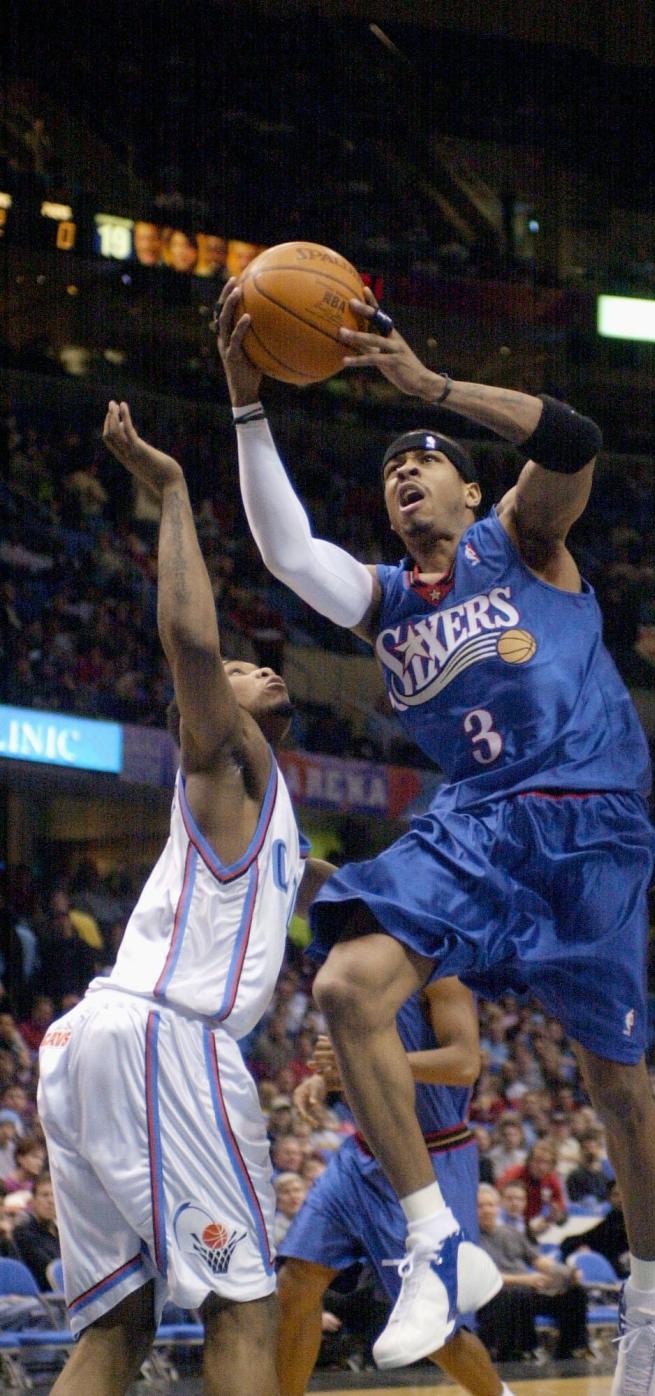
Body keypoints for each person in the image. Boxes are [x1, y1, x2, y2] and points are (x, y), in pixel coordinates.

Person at [216, 254, 655, 1394]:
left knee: (617, 1082)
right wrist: (245, 397)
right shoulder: (385, 598)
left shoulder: (521, 540)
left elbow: (571, 436)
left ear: (475, 490)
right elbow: (284, 551)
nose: (405, 477)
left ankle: (654, 1293)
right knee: (344, 985)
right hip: (476, 823)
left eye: (424, 466)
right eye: (391, 474)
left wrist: (430, 391)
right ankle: (432, 1241)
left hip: (590, 822)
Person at [36, 402, 332, 1396]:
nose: (257, 666)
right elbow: (191, 642)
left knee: (119, 1323)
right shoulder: (227, 762)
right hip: (169, 1041)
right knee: (244, 1300)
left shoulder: (276, 815)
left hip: (92, 1042)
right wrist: (172, 494)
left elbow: (324, 889)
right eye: (244, 670)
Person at [275, 977, 515, 1396]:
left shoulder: (441, 970)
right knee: (296, 1282)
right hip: (360, 1154)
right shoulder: (350, 970)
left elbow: (463, 1064)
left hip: (429, 1158)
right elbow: (356, 1060)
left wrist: (364, 1062)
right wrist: (327, 1079)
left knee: (437, 1333)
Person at [475, 1184, 590, 1362]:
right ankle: (526, 1350)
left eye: (490, 1205)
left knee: (575, 1294)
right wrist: (525, 1280)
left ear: (498, 1208)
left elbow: (539, 1262)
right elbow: (485, 1277)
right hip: (498, 1295)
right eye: (480, 1206)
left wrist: (568, 1273)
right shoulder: (470, 1239)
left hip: (527, 1290)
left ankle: (571, 1351)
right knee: (518, 1294)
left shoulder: (511, 1233)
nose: (487, 1210)